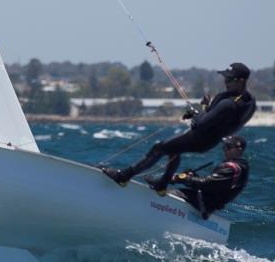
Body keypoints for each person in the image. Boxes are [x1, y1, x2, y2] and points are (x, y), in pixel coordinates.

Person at [101, 62, 256, 188]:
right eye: (225, 78)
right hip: (210, 139)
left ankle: (123, 176)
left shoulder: (229, 104)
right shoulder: (248, 102)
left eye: (229, 79)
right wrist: (206, 112)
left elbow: (201, 124)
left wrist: (201, 111)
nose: (225, 82)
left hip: (200, 137)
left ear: (241, 81)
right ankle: (163, 183)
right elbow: (223, 121)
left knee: (159, 148)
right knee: (173, 149)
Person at [163, 135, 249, 219]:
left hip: (205, 203)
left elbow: (207, 184)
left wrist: (183, 178)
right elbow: (212, 185)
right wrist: (193, 177)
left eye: (229, 147)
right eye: (224, 146)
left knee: (169, 193)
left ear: (239, 150)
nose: (224, 149)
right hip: (209, 202)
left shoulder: (232, 168)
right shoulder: (240, 167)